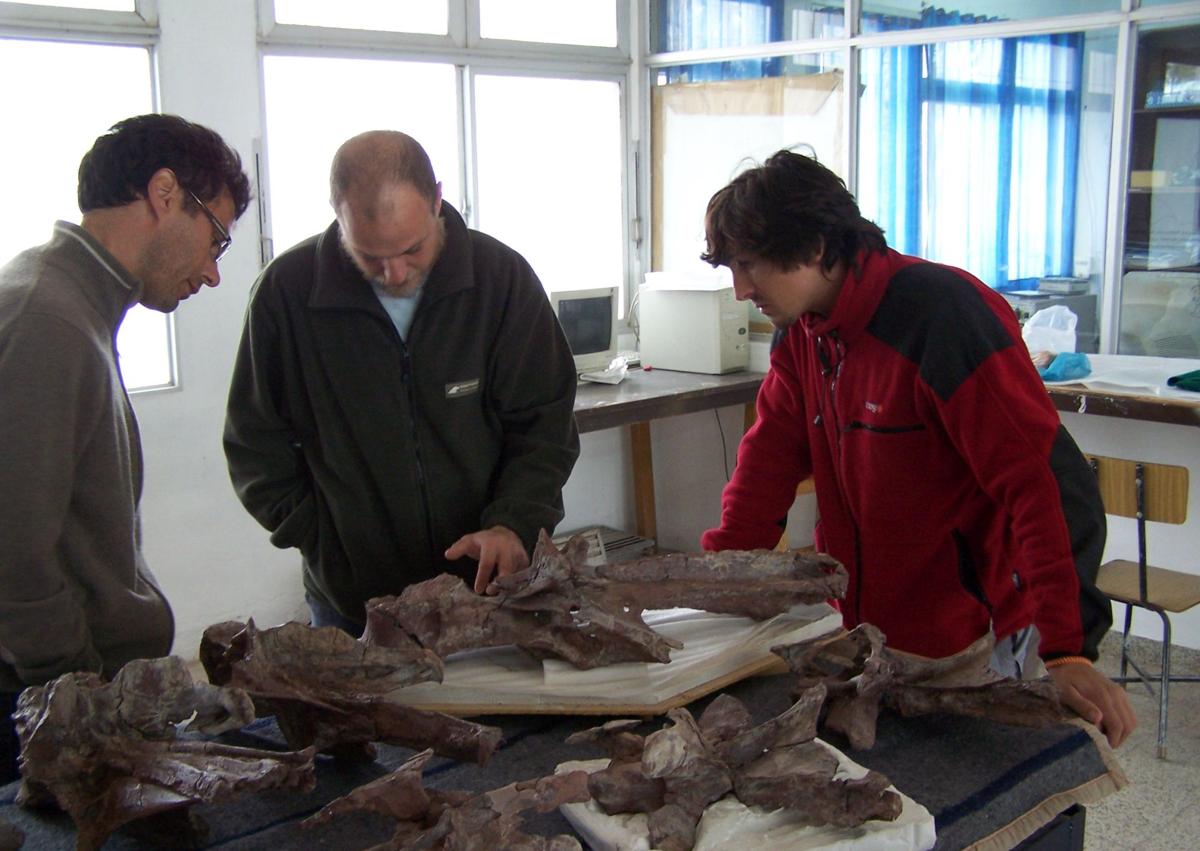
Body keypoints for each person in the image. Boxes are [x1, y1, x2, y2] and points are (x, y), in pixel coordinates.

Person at [699, 150, 1136, 748]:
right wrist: (718, 580)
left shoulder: (942, 314)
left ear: (818, 246)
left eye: (750, 266)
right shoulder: (805, 332)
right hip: (869, 631)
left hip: (973, 635)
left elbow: (1044, 486)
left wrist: (1068, 647)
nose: (741, 289)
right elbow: (766, 461)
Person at [223, 130, 580, 636]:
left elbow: (544, 424)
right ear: (337, 212)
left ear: (437, 199)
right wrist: (326, 541)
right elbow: (254, 446)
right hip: (354, 604)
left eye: (411, 250)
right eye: (369, 255)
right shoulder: (287, 296)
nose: (392, 274)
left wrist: (513, 523)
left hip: (486, 592)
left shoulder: (501, 281)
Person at [0, 114, 253, 783]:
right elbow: (13, 555)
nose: (211, 272)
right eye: (216, 240)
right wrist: (82, 698)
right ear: (165, 194)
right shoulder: (48, 321)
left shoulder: (71, 301)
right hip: (44, 704)